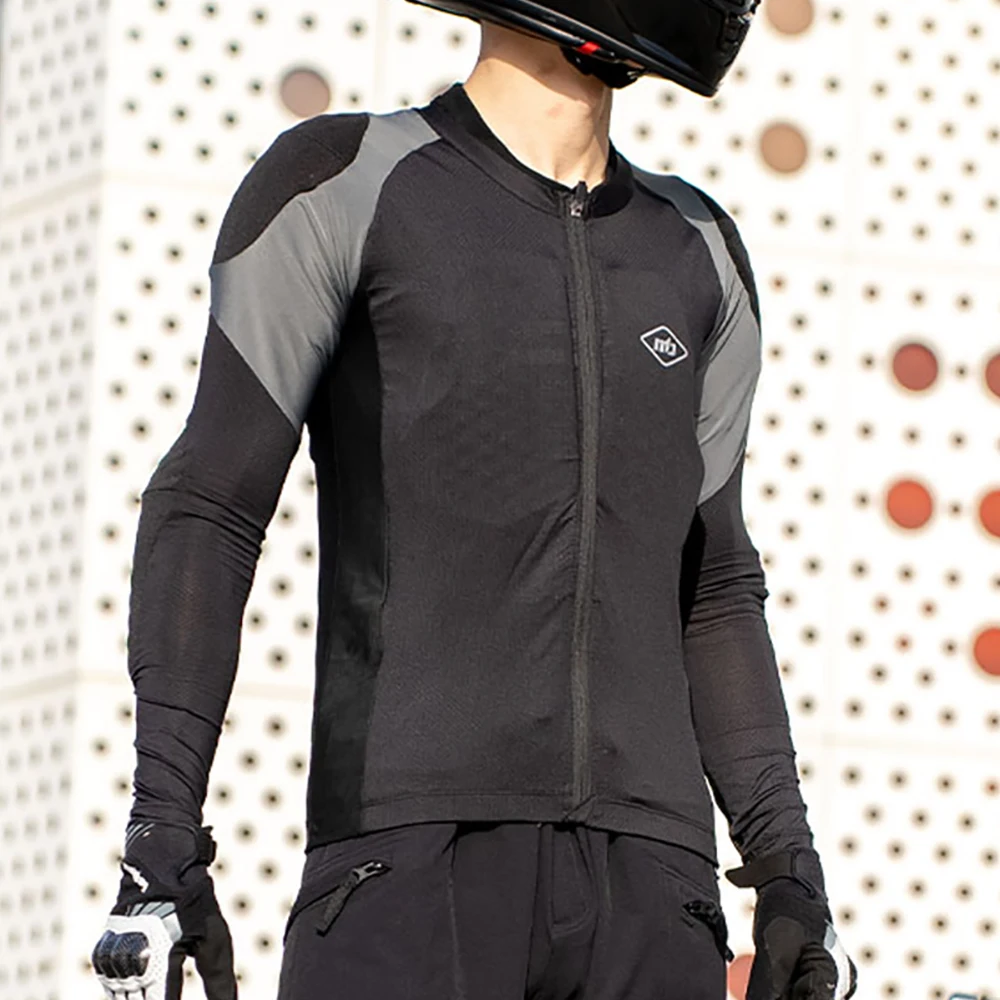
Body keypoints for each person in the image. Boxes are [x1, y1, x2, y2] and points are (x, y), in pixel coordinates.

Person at [91, 2, 858, 998]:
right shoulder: (348, 180)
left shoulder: (699, 250)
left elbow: (712, 585)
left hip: (656, 894)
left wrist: (790, 873)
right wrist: (160, 835)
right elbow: (212, 505)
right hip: (406, 869)